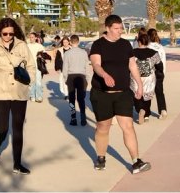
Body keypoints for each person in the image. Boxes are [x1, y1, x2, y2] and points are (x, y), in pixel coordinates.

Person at [89, 15, 150, 173]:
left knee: (128, 126)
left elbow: (132, 65)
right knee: (103, 127)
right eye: (116, 29)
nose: (119, 31)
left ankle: (136, 161)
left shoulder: (125, 45)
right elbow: (96, 64)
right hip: (102, 93)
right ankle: (101, 157)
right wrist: (105, 75)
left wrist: (139, 85)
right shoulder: (98, 45)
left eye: (121, 28)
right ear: (108, 28)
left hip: (123, 93)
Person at [0, 18, 36, 174]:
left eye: (11, 33)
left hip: (19, 91)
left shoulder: (22, 46)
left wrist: (29, 80)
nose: (8, 36)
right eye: (5, 33)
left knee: (18, 129)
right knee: (3, 129)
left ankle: (17, 163)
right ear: (0, 32)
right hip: (0, 92)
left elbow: (31, 65)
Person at [62, 34, 89, 126]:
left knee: (72, 99)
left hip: (71, 76)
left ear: (70, 42)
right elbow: (87, 67)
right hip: (81, 76)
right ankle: (83, 118)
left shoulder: (67, 53)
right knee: (81, 99)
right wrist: (87, 79)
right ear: (78, 42)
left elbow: (64, 68)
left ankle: (73, 118)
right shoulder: (84, 52)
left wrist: (65, 78)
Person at [146, 28, 168, 119]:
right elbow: (164, 61)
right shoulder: (160, 47)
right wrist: (163, 73)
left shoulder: (147, 47)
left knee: (148, 92)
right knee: (160, 92)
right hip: (160, 72)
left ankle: (146, 114)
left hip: (150, 73)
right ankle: (163, 110)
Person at [25, 32, 46, 103]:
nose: (31, 39)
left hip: (38, 67)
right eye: (30, 37)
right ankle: (32, 96)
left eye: (32, 37)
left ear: (36, 38)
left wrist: (41, 56)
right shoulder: (27, 46)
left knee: (38, 82)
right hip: (29, 67)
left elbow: (45, 55)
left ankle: (39, 97)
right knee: (31, 83)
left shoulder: (39, 46)